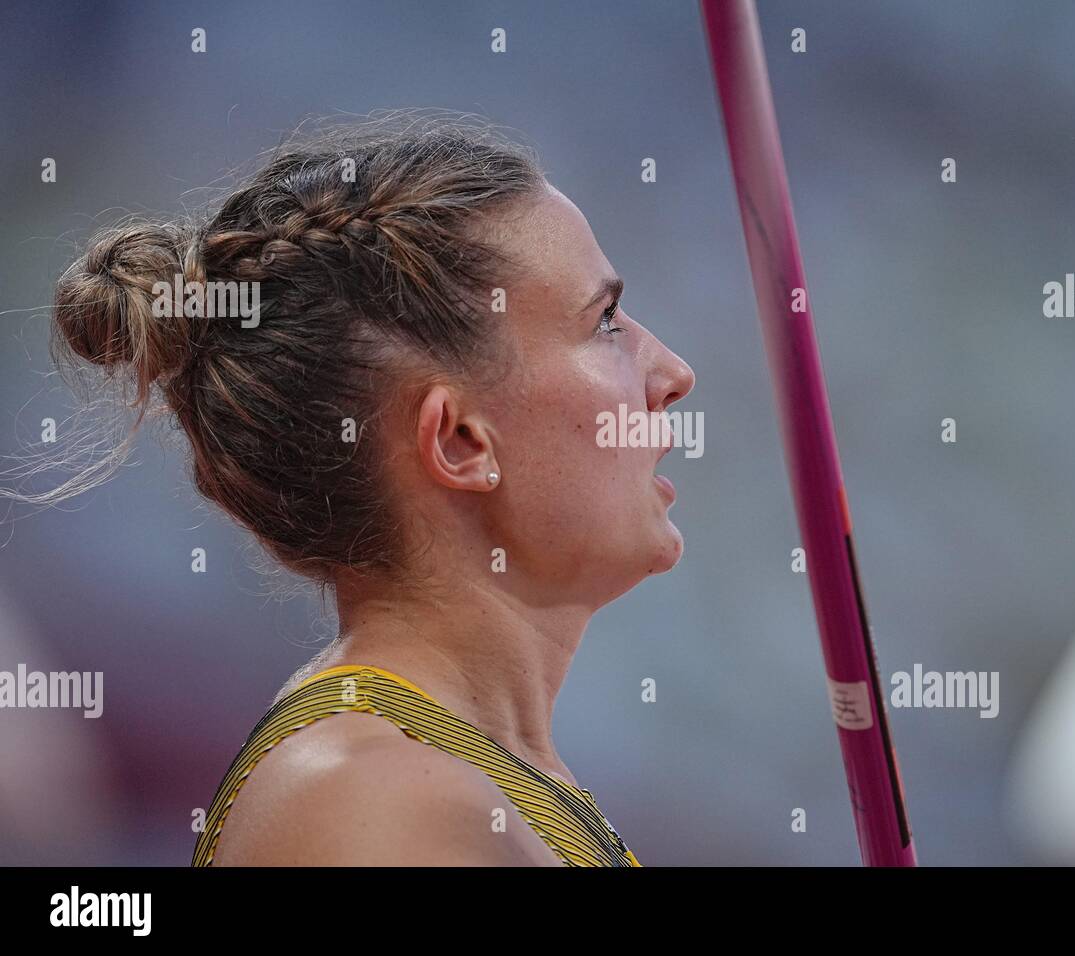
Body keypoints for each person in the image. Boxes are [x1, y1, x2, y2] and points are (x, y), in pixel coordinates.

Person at [45, 113, 695, 866]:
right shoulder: (376, 801)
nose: (674, 374)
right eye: (606, 321)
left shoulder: (477, 776)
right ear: (459, 441)